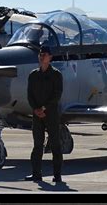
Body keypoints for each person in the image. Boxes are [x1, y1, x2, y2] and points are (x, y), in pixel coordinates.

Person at [25, 46, 64, 183]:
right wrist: (36, 109)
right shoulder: (33, 75)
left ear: (50, 57)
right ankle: (36, 174)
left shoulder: (56, 75)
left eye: (45, 54)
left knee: (55, 145)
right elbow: (29, 95)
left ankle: (57, 175)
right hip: (37, 115)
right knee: (37, 144)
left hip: (51, 114)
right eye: (40, 54)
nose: (42, 56)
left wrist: (43, 108)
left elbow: (56, 95)